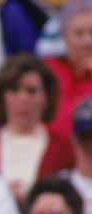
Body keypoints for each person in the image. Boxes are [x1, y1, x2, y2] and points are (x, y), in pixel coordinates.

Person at [0, 54, 75, 203]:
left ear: (46, 97)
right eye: (14, 90)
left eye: (31, 91)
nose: (23, 99)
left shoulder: (64, 149)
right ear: (2, 96)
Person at [42, 0, 92, 141]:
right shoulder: (47, 68)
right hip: (47, 150)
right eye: (79, 34)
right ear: (65, 37)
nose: (87, 41)